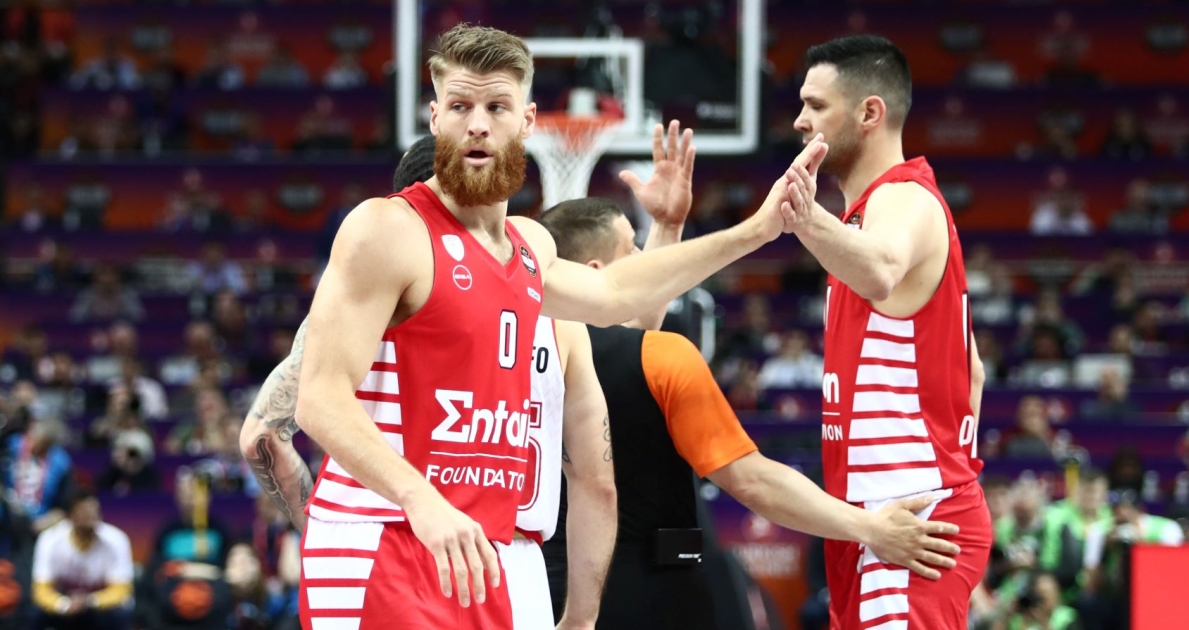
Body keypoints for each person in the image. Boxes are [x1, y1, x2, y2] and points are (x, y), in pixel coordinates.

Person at [289, 22, 805, 630]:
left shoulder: (528, 246)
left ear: (528, 121)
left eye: (496, 107)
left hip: (482, 550)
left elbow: (617, 293)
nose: (477, 123)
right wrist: (418, 497)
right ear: (434, 118)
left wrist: (756, 231)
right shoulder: (386, 229)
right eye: (459, 106)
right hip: (383, 538)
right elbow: (318, 399)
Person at [537, 197, 961, 630]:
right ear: (595, 272)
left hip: (544, 589)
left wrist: (668, 225)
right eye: (633, 249)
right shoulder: (664, 357)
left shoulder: (525, 355)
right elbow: (751, 480)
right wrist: (872, 528)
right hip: (653, 592)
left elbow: (620, 331)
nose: (647, 258)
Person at [778, 34, 992, 629]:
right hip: (881, 520)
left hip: (908, 521)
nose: (799, 121)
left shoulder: (902, 196)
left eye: (816, 105)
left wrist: (804, 215)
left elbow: (879, 268)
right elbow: (972, 371)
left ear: (869, 112)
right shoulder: (865, 217)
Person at [31, 491, 133, 630]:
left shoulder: (116, 539)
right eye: (84, 513)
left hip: (98, 606)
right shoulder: (50, 539)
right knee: (35, 613)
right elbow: (41, 591)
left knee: (121, 612)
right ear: (71, 516)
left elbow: (121, 590)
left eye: (94, 513)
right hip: (64, 604)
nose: (91, 518)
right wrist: (65, 605)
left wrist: (90, 601)